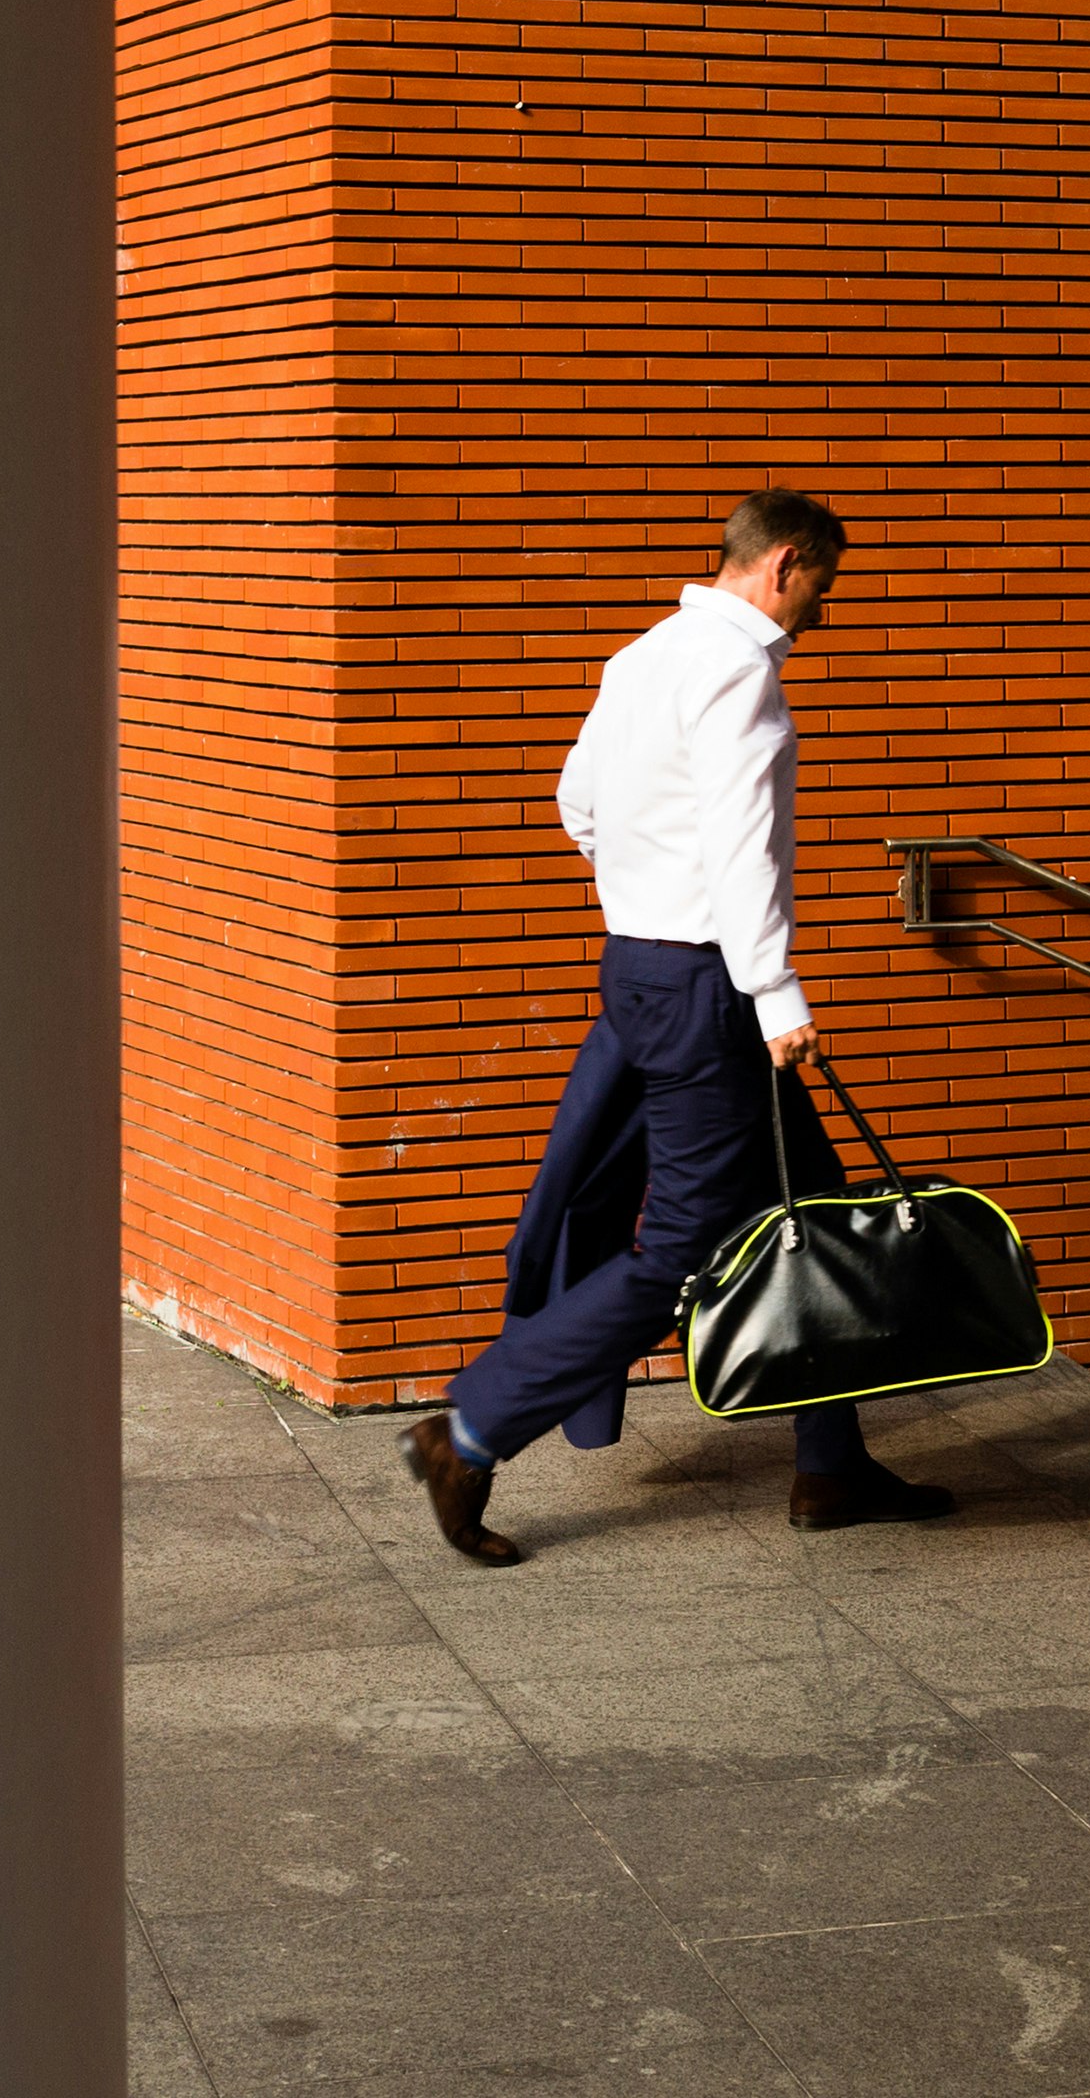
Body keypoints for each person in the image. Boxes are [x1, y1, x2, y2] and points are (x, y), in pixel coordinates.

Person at [399, 488, 956, 1564]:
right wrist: (777, 995)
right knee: (680, 1247)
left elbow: (578, 802)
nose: (820, 615)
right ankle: (467, 1431)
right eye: (823, 591)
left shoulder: (642, 655)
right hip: (713, 988)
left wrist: (642, 896)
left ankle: (832, 1465)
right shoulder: (741, 673)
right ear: (786, 563)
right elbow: (743, 856)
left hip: (645, 968)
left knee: (817, 1212)